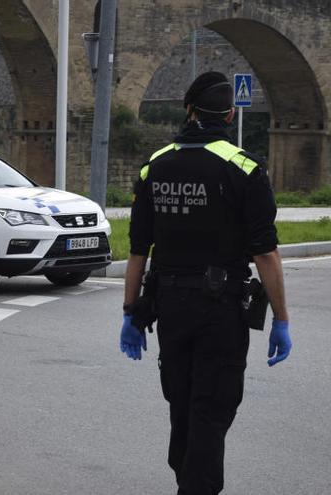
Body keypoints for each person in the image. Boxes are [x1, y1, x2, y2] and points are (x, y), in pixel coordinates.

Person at [120, 71, 292, 495]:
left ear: (188, 110)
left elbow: (137, 251)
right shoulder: (245, 168)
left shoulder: (154, 166)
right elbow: (265, 253)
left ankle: (186, 477)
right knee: (211, 410)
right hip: (220, 311)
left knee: (182, 402)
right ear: (230, 113)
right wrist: (282, 319)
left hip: (170, 307)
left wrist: (130, 314)